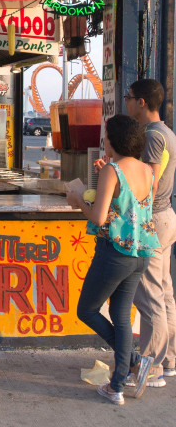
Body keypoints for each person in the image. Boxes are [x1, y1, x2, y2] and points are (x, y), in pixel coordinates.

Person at [67, 114, 159, 405]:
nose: (104, 141)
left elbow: (98, 216)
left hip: (115, 252)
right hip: (140, 253)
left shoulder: (112, 170)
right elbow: (133, 206)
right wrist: (106, 173)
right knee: (120, 316)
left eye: (106, 137)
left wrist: (78, 198)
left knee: (87, 310)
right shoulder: (147, 170)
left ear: (114, 140)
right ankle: (118, 384)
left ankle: (131, 362)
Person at [124, 79, 176, 386]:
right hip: (164, 217)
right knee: (164, 292)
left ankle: (152, 367)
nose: (127, 103)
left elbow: (150, 182)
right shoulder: (166, 132)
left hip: (153, 219)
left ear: (142, 102)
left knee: (150, 296)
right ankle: (168, 360)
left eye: (130, 98)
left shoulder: (154, 136)